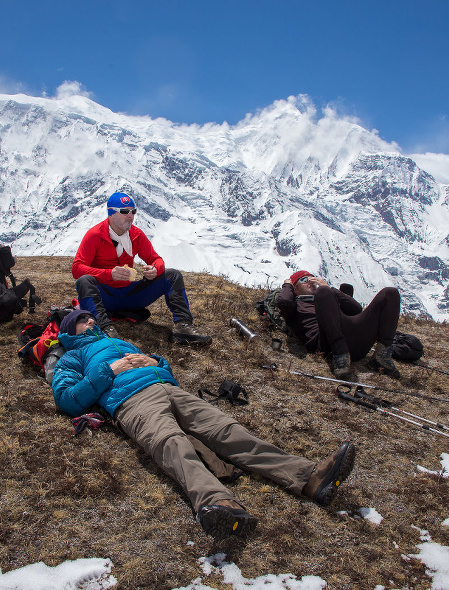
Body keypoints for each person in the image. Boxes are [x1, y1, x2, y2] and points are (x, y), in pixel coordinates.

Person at [51, 309, 356, 538]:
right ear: (70, 330)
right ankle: (219, 504)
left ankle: (309, 477)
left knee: (227, 430)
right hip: (131, 401)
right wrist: (109, 369)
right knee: (171, 443)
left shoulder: (120, 340)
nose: (90, 321)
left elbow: (163, 366)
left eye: (91, 318)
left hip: (170, 389)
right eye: (82, 320)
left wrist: (157, 362)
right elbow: (66, 398)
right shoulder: (72, 358)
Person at [72, 192, 210, 345]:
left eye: (133, 211)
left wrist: (155, 270)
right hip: (104, 296)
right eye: (124, 212)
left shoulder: (136, 234)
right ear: (111, 213)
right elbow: (77, 268)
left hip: (130, 295)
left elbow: (156, 259)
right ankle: (104, 328)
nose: (130, 216)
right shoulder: (95, 235)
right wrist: (109, 274)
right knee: (84, 281)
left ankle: (183, 327)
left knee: (172, 275)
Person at [276, 270, 402, 380]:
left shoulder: (327, 296)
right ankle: (340, 355)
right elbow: (284, 301)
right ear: (296, 289)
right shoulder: (295, 307)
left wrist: (330, 289)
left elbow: (356, 309)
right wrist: (287, 284)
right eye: (304, 280)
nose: (310, 282)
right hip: (327, 345)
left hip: (351, 338)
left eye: (313, 279)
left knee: (390, 293)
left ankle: (381, 356)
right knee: (323, 292)